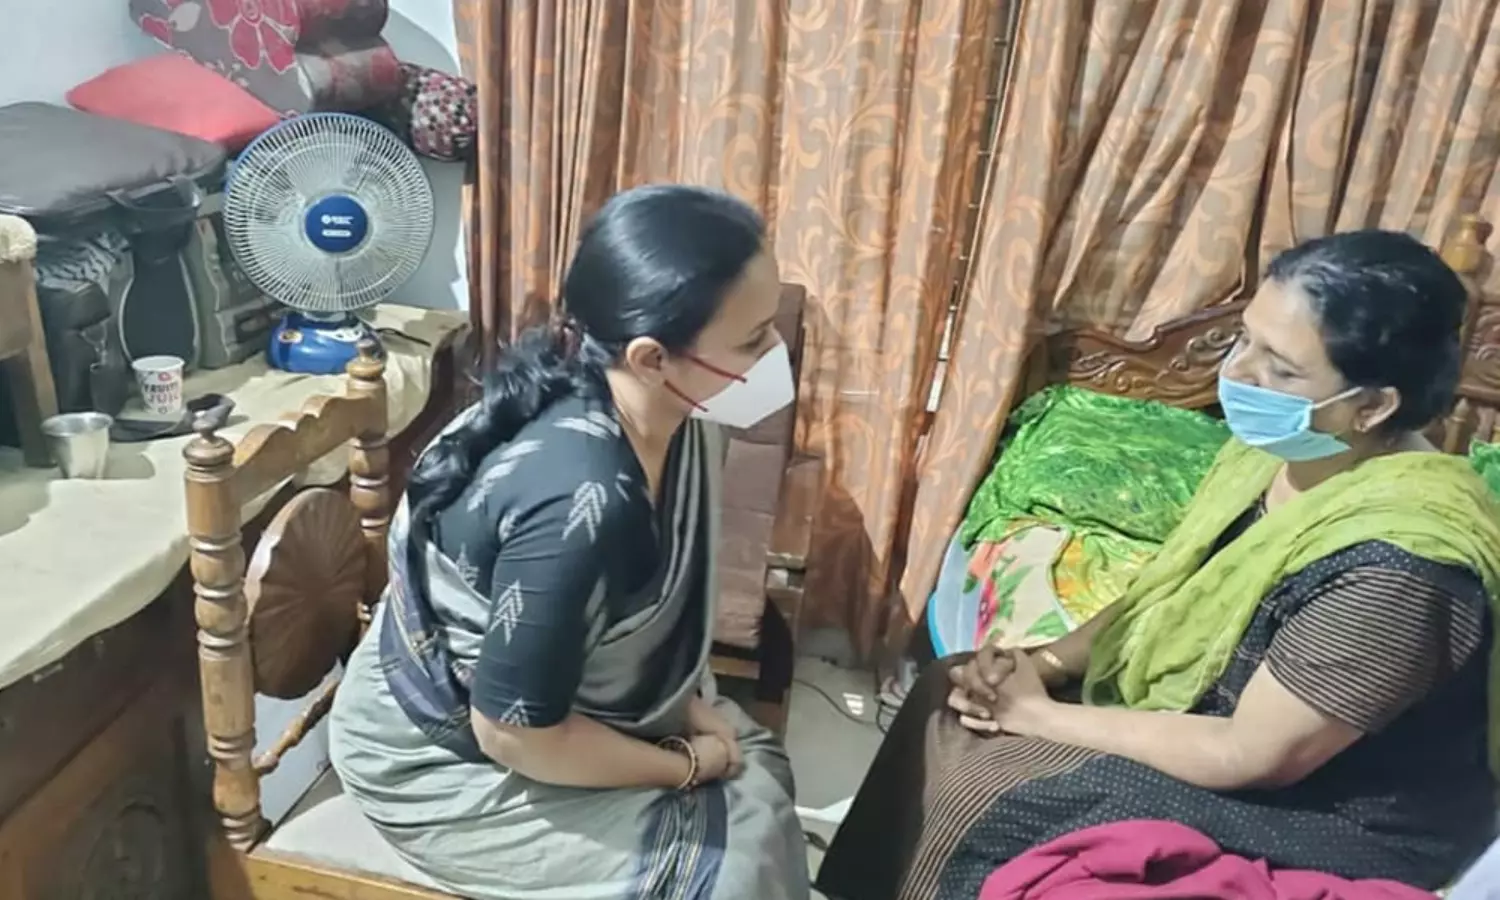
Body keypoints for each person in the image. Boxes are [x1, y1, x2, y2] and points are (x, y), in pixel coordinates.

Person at [816, 230, 1500, 900]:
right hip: (1223, 723)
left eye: (1281, 368)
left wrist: (1041, 717)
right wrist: (1044, 662)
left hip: (1327, 808)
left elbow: (1254, 754)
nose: (1239, 373)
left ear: (1372, 406)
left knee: (992, 790)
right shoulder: (1278, 457)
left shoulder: (1402, 571)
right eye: (1245, 340)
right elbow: (1167, 590)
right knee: (947, 690)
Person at [329, 184, 810, 900]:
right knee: (731, 866)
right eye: (751, 340)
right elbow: (514, 734)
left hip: (547, 703)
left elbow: (622, 633)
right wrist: (684, 763)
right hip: (446, 759)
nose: (774, 353)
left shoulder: (680, 418)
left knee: (761, 767)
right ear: (652, 358)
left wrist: (680, 708)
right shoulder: (581, 500)